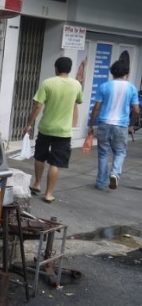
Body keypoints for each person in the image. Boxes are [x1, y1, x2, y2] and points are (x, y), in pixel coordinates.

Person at [22, 57, 84, 203]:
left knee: (40, 156)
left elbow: (38, 106)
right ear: (69, 69)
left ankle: (37, 184)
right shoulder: (76, 85)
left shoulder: (48, 83)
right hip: (63, 131)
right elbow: (79, 101)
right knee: (55, 163)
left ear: (56, 68)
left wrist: (29, 124)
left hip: (46, 128)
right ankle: (49, 194)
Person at [87, 60, 140, 190]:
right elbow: (136, 110)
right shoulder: (132, 88)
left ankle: (101, 182)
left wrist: (91, 125)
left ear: (112, 72)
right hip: (121, 126)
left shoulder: (104, 86)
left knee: (103, 153)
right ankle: (115, 173)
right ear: (127, 73)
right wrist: (131, 125)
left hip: (104, 124)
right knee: (120, 152)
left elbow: (96, 108)